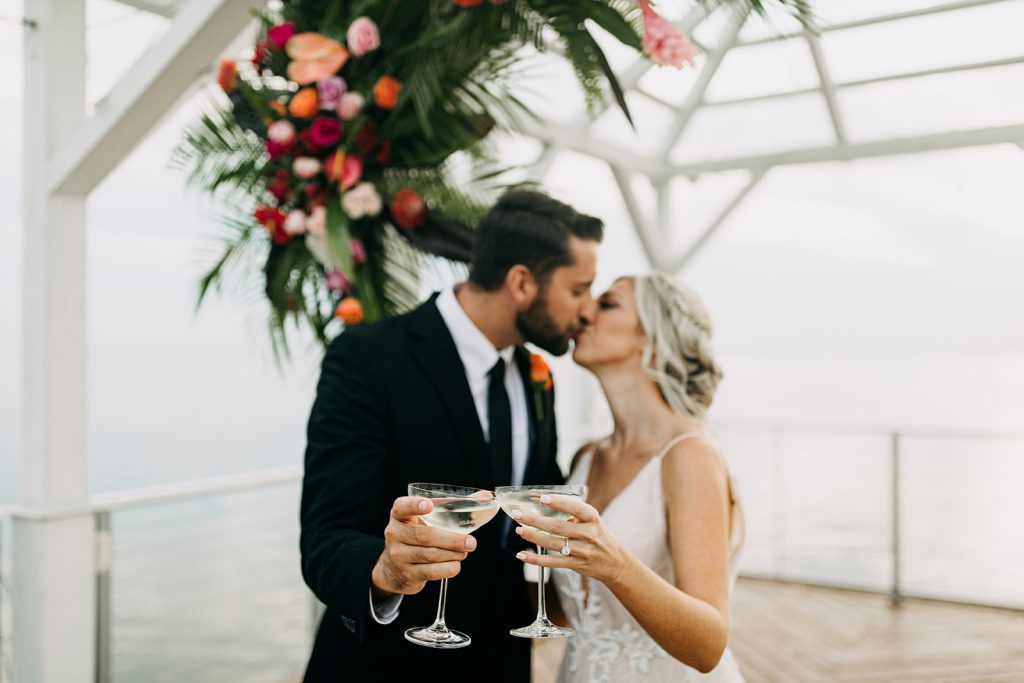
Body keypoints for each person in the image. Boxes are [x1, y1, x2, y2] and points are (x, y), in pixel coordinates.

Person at [299, 189, 603, 682]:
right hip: (385, 668)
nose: (587, 310)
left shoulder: (534, 375)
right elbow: (325, 538)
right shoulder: (367, 358)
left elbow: (530, 505)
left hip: (499, 666)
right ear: (522, 283)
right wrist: (386, 572)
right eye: (578, 289)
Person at [512, 273, 746, 682]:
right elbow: (576, 605)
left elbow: (709, 644)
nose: (585, 312)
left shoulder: (690, 456)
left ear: (652, 337)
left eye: (608, 304)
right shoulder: (588, 458)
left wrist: (614, 564)